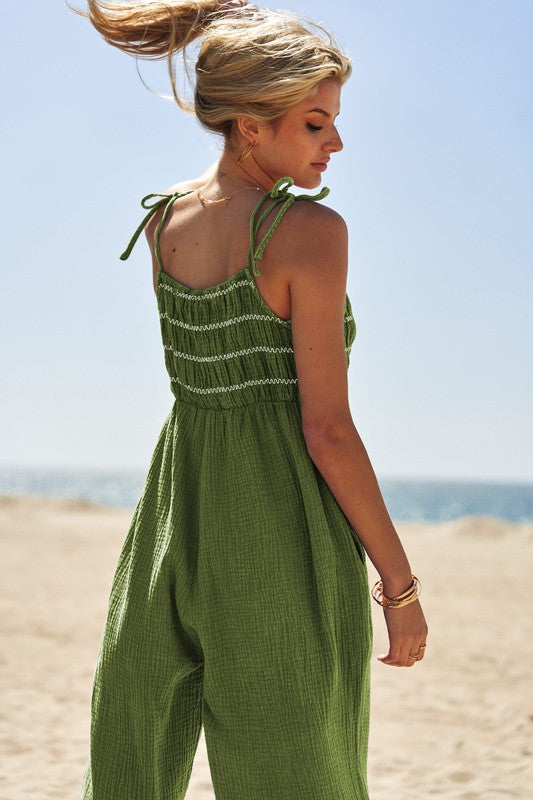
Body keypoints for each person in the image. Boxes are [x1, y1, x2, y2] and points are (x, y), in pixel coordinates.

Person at [69, 1, 428, 798]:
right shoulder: (308, 233)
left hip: (174, 515)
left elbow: (206, 384)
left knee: (132, 752)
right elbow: (327, 430)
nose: (335, 142)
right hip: (280, 523)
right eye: (314, 123)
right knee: (297, 767)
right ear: (249, 125)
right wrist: (398, 588)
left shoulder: (164, 223)